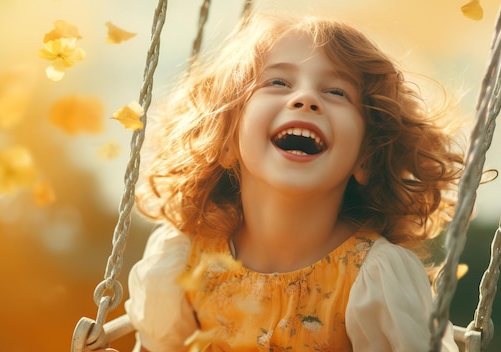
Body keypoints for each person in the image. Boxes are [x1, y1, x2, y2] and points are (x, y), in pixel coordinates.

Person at [117, 10, 465, 352]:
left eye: (337, 92)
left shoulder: (374, 277)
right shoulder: (185, 256)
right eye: (278, 82)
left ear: (366, 157)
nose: (306, 99)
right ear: (225, 139)